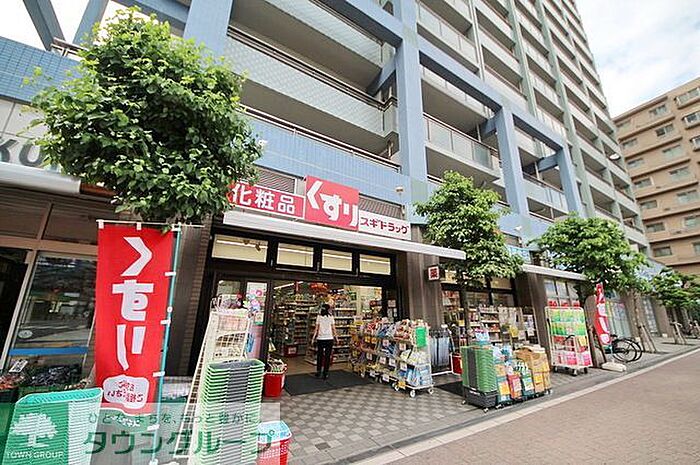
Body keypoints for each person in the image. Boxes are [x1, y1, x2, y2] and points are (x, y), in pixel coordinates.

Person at [312, 303, 338, 379]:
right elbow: (333, 329)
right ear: (328, 309)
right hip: (329, 338)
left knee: (319, 355)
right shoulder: (331, 317)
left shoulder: (319, 317)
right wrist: (336, 338)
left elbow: (316, 329)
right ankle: (325, 373)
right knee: (327, 356)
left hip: (320, 339)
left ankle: (318, 371)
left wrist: (313, 338)